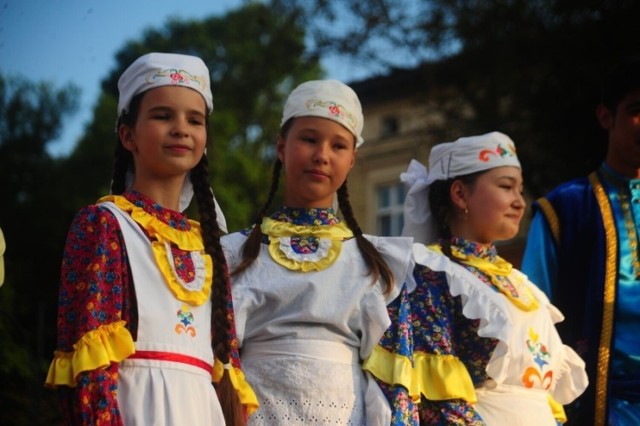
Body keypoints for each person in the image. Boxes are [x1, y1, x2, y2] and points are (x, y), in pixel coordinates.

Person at [45, 52, 257, 425]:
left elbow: (227, 375)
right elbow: (89, 367)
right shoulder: (105, 224)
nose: (181, 128)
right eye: (163, 115)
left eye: (195, 119)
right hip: (137, 409)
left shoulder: (209, 247)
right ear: (128, 135)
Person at [221, 79, 415, 425]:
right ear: (281, 147)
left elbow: (395, 373)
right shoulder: (236, 251)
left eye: (338, 145)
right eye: (309, 139)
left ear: (352, 160)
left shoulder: (376, 262)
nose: (321, 155)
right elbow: (220, 360)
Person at [398, 131, 588, 425]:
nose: (520, 202)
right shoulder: (431, 274)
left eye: (520, 189)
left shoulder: (522, 285)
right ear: (460, 193)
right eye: (505, 187)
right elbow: (438, 403)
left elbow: (547, 398)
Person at [521, 57, 640, 425]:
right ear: (606, 117)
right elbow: (531, 318)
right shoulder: (566, 208)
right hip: (599, 401)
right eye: (637, 111)